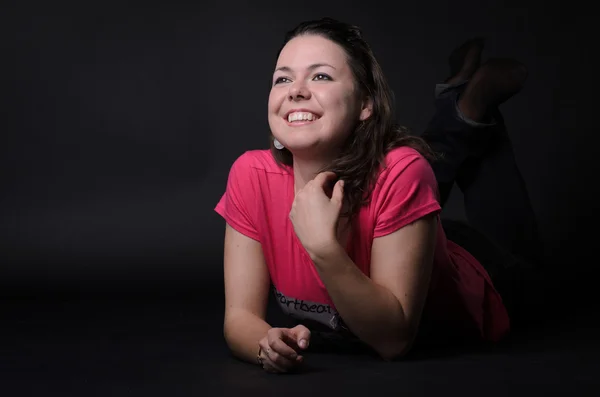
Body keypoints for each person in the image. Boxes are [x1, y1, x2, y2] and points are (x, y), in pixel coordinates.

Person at [214, 17, 541, 373]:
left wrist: (323, 248)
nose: (296, 90)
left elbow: (393, 342)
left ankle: (470, 106)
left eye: (320, 75)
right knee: (404, 169)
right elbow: (240, 319)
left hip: (486, 278)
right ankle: (459, 106)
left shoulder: (403, 171)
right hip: (402, 225)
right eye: (283, 78)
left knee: (535, 273)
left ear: (365, 103)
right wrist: (263, 344)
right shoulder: (251, 175)